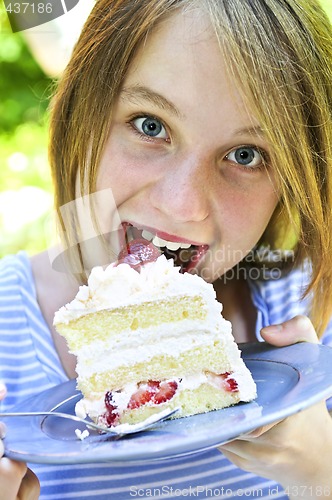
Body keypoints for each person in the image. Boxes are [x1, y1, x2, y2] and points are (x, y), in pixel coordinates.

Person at [1, 0, 332, 498]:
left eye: (246, 155)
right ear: (76, 112)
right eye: (150, 125)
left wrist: (321, 474)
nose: (183, 205)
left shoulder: (313, 317)